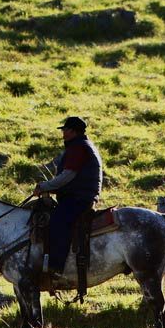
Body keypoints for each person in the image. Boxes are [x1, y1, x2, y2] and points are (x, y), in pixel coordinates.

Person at [31, 114, 103, 298]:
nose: (63, 133)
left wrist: (45, 186)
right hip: (80, 196)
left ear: (73, 131)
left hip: (78, 198)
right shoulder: (82, 146)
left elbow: (67, 176)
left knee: (57, 223)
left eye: (65, 130)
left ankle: (55, 268)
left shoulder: (78, 148)